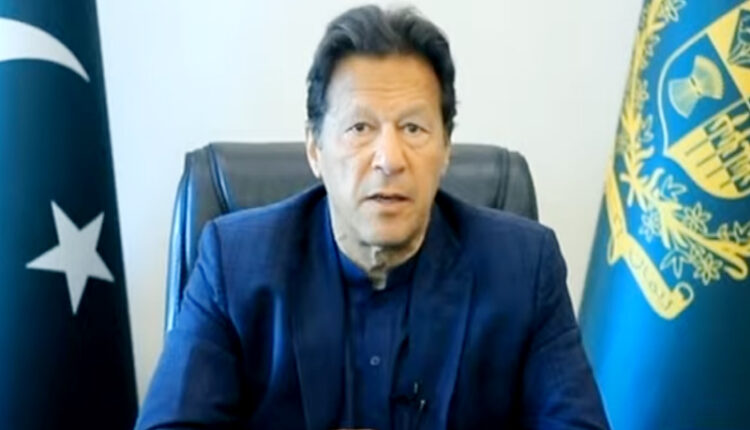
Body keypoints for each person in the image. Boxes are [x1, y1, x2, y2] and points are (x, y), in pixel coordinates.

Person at [137, 5, 609, 430]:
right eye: (360, 127)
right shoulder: (235, 264)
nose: (389, 159)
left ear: (446, 148)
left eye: (413, 128)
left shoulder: (524, 269)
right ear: (315, 149)